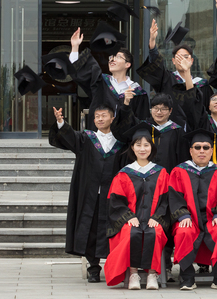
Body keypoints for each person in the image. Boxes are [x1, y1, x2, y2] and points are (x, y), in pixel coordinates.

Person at [50, 104, 128, 282]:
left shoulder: (121, 143)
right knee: (91, 229)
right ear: (93, 120)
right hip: (90, 194)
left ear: (112, 118)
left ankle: (115, 265)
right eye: (97, 116)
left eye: (104, 115)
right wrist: (61, 122)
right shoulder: (86, 139)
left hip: (112, 195)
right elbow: (69, 137)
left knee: (112, 229)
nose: (100, 119)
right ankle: (93, 267)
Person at [104, 124, 170, 289]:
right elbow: (115, 201)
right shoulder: (124, 173)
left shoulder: (161, 173)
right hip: (132, 218)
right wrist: (128, 216)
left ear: (151, 147)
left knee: (155, 231)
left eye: (146, 145)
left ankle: (152, 274)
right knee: (130, 231)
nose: (142, 149)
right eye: (138, 145)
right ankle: (133, 274)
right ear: (132, 148)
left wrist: (157, 217)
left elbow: (166, 200)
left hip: (153, 218)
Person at [169, 130, 217, 291]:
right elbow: (175, 197)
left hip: (213, 217)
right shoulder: (179, 171)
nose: (202, 151)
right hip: (189, 217)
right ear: (191, 151)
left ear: (212, 150)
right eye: (197, 147)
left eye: (206, 147)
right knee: (184, 232)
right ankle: (187, 277)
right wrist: (183, 215)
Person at [68, 28, 149, 131]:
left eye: (118, 57)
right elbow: (78, 73)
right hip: (100, 137)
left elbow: (142, 123)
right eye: (111, 57)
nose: (112, 60)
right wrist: (75, 47)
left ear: (127, 64)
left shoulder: (138, 93)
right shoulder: (100, 82)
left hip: (125, 139)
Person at [137, 19, 212, 127]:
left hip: (195, 131)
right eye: (178, 57)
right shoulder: (167, 79)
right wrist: (152, 44)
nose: (182, 60)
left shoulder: (202, 85)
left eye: (185, 57)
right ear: (173, 61)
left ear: (192, 61)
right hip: (171, 131)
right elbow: (157, 66)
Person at [112, 93, 185, 172]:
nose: (159, 112)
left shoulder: (177, 131)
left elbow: (182, 158)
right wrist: (126, 104)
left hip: (167, 175)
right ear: (151, 109)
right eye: (155, 108)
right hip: (141, 175)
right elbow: (124, 126)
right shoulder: (142, 126)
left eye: (163, 109)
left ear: (170, 110)